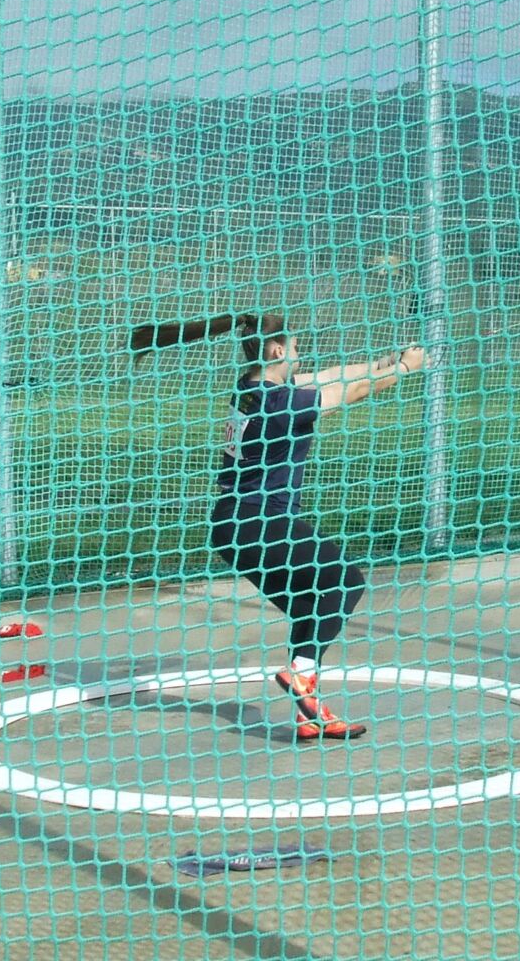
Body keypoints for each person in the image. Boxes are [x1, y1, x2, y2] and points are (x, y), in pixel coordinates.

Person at [130, 313, 428, 742]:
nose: (300, 355)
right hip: (261, 522)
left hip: (233, 527)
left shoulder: (250, 389)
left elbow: (328, 377)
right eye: (295, 347)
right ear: (276, 350)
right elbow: (352, 391)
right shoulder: (281, 404)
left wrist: (381, 363)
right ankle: (301, 675)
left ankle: (309, 712)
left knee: (309, 607)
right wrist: (402, 370)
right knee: (345, 580)